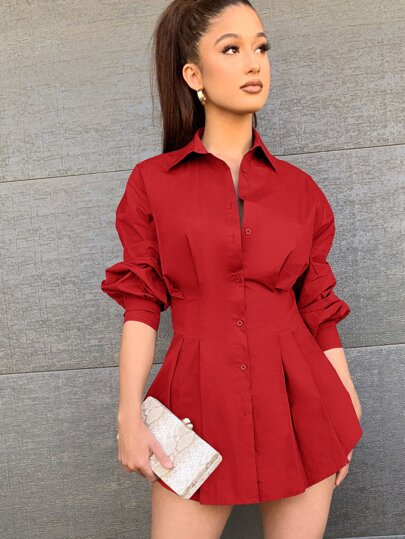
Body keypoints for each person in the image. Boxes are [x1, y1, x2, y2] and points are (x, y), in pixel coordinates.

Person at [100, 1, 363, 537]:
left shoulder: (301, 191)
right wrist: (128, 415)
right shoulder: (152, 183)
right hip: (197, 402)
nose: (253, 62)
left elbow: (317, 307)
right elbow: (141, 304)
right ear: (193, 76)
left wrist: (345, 409)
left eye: (261, 47)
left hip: (303, 404)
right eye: (232, 48)